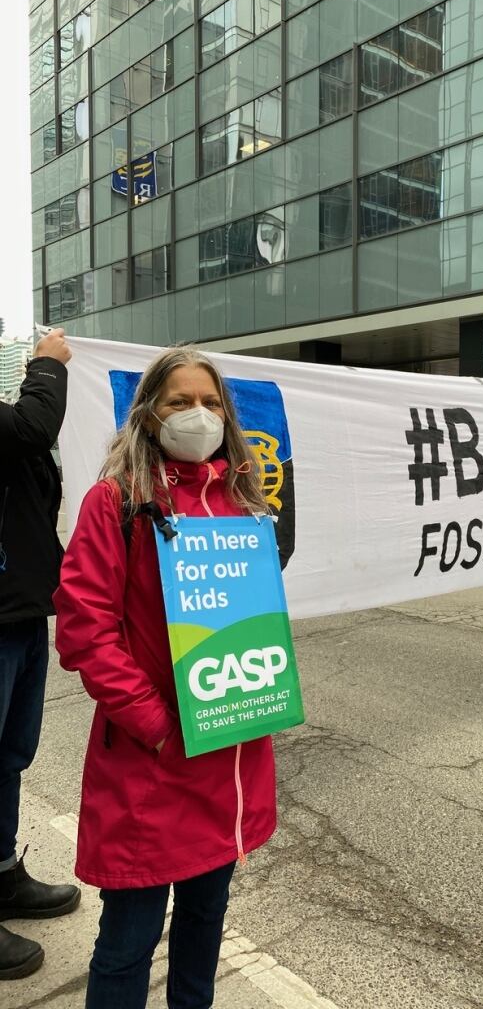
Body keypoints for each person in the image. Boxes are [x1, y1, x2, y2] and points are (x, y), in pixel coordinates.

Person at [54, 346, 278, 1009]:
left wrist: (261, 694)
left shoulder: (244, 505)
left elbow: (253, 620)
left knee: (205, 927)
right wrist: (155, 727)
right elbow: (85, 634)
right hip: (151, 766)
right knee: (128, 942)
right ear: (150, 416)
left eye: (210, 402)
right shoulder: (114, 502)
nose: (198, 415)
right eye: (180, 401)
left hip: (226, 756)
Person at [0, 327, 81, 980]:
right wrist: (48, 368)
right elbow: (32, 428)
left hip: (20, 611)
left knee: (9, 758)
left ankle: (1, 877)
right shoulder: (18, 416)